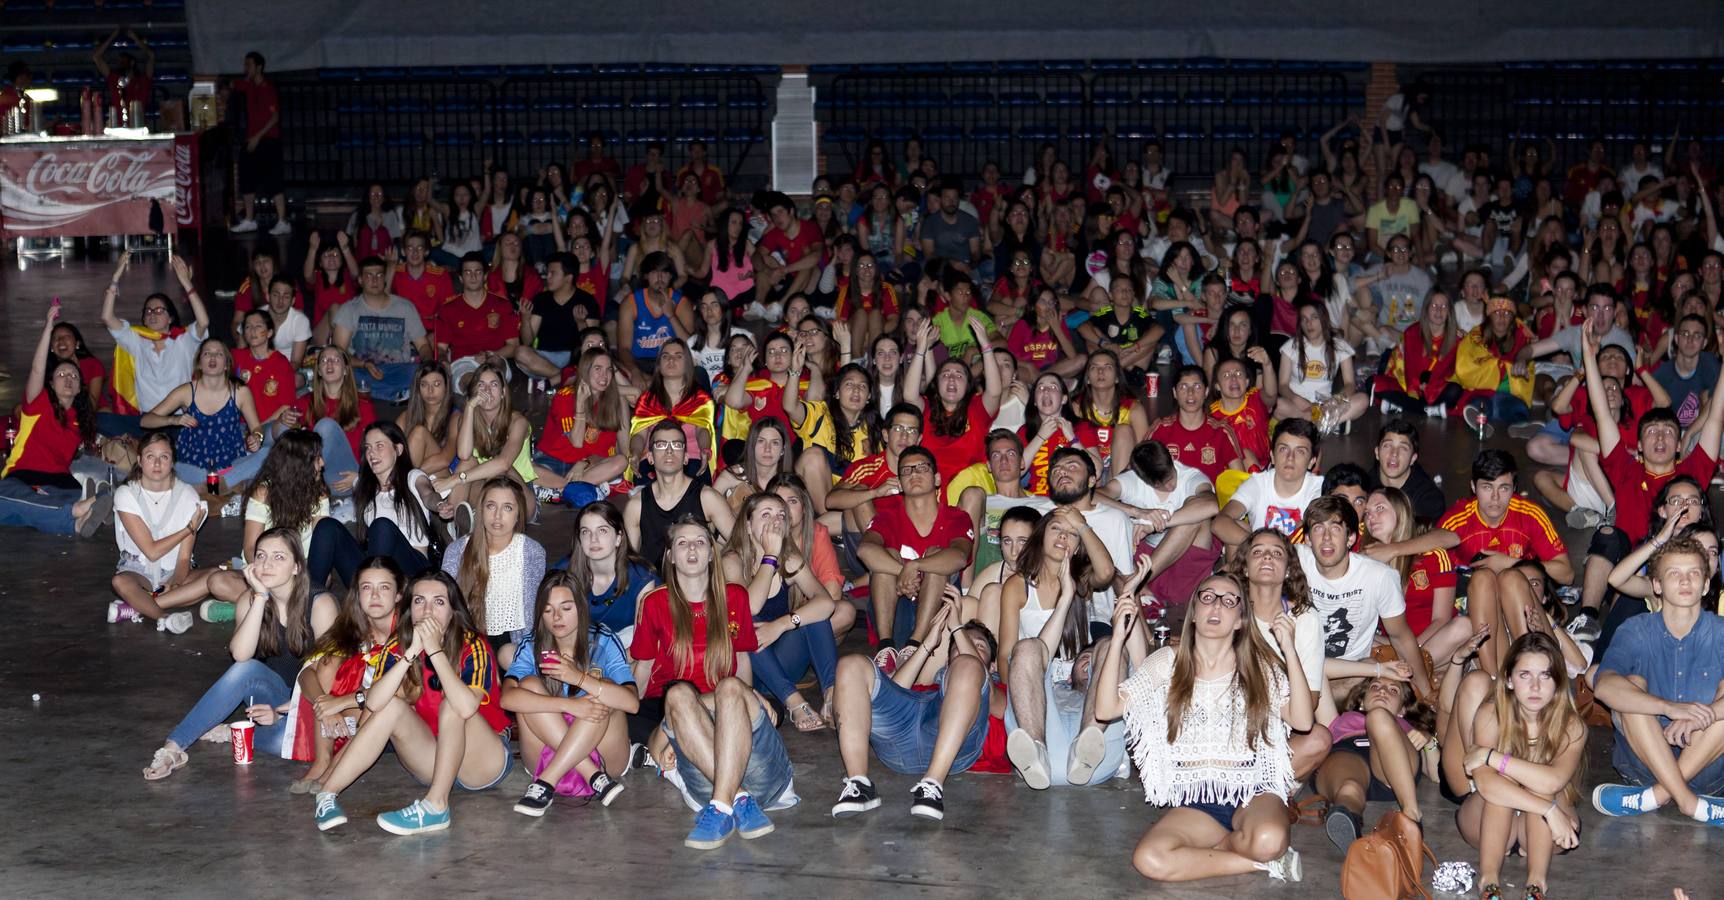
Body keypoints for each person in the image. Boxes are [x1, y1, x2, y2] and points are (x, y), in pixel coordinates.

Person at [1096, 573, 1309, 884]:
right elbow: (1106, 708)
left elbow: (1303, 721)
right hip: (1199, 802)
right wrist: (1117, 638)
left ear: (1240, 620)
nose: (1216, 606)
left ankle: (1237, 850)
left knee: (1269, 841)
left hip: (1253, 792)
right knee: (1149, 859)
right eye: (1207, 597)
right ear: (1194, 612)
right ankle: (1261, 864)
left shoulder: (1258, 666)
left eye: (1228, 600)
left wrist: (1289, 649)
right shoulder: (1167, 662)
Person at [631, 517, 795, 849]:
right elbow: (644, 665)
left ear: (710, 554)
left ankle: (720, 806)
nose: (691, 549)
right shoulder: (654, 603)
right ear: (671, 556)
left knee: (731, 688)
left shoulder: (734, 597)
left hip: (724, 705)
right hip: (681, 707)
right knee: (679, 696)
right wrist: (638, 716)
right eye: (682, 543)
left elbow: (744, 660)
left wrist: (751, 698)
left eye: (700, 542)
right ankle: (736, 799)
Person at [311, 570, 512, 834]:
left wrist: (435, 650)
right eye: (419, 601)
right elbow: (374, 703)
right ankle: (326, 796)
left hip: (482, 761)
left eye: (438, 602)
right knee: (390, 705)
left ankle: (436, 807)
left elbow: (465, 707)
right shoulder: (399, 644)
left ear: (454, 611)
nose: (427, 610)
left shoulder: (473, 644)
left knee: (452, 704)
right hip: (432, 757)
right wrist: (410, 654)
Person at [1567, 326, 1724, 643]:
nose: (1662, 437)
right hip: (1632, 565)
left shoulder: (1692, 470)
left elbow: (1717, 417)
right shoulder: (1626, 469)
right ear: (1638, 446)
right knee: (1609, 535)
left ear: (1680, 445)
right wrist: (1587, 354)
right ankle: (1588, 616)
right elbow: (1602, 413)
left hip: (1679, 563)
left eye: (1669, 432)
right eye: (1652, 432)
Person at [143, 528, 336, 780]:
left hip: (311, 701)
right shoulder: (249, 599)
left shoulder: (320, 604)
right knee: (246, 670)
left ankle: (236, 732)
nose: (267, 564)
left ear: (297, 567)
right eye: (261, 556)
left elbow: (330, 677)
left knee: (285, 744)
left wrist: (282, 711)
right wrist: (259, 597)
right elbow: (241, 655)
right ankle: (174, 748)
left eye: (279, 557)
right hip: (270, 693)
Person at [1589, 535, 1724, 826]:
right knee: (1631, 685)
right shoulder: (1635, 630)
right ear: (1657, 585)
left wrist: (1706, 714)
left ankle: (1658, 796)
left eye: (1693, 574)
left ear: (1706, 584)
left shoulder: (1722, 631)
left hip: (1710, 769)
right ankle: (1690, 804)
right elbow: (1604, 684)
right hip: (1643, 766)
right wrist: (1667, 707)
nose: (1685, 582)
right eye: (1674, 574)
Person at [1002, 508, 1139, 788]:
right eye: (1056, 529)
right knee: (1026, 648)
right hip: (1036, 697)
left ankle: (1087, 745)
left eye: (1072, 534)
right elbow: (1006, 661)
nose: (1064, 536)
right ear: (1040, 535)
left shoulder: (1081, 582)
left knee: (1109, 646)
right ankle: (1035, 749)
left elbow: (1106, 571)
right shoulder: (1017, 586)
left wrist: (1083, 525)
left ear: (1079, 546)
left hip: (1084, 699)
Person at [830, 597, 998, 822]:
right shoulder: (934, 680)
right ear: (947, 661)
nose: (965, 645)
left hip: (954, 749)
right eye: (957, 644)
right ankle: (859, 784)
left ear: (993, 665)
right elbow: (893, 691)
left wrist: (957, 628)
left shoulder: (994, 686)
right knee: (850, 664)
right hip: (900, 742)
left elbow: (995, 702)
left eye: (980, 645)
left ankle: (933, 785)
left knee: (968, 665)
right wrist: (928, 643)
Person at [1459, 631, 1586, 900]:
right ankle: (1489, 879)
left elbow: (1552, 782)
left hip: (1545, 833)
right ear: (1508, 679)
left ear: (1558, 682)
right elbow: (1485, 783)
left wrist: (1490, 756)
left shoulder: (1571, 725)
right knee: (1501, 789)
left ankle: (1536, 884)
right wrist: (1548, 810)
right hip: (1487, 821)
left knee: (1541, 785)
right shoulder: (1490, 714)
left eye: (1545, 675)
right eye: (1525, 675)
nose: (1535, 687)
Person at [503, 570, 638, 815]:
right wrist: (567, 706)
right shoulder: (532, 645)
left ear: (581, 607)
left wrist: (578, 678)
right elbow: (507, 698)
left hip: (605, 755)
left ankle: (546, 783)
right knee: (529, 686)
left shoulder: (603, 639)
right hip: (546, 755)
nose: (556, 617)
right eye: (548, 610)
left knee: (603, 688)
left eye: (566, 608)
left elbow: (632, 703)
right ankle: (592, 775)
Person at [1439, 450, 1574, 674]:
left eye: (1503, 488)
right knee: (1483, 579)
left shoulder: (1529, 514)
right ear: (1473, 487)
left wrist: (1510, 562)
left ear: (1514, 488)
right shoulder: (1456, 520)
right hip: (1478, 611)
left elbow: (1567, 573)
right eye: (1486, 487)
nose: (1495, 498)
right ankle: (1495, 677)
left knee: (1510, 577)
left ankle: (1529, 665)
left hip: (1522, 606)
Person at [724, 493, 840, 731]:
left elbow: (826, 604)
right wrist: (769, 556)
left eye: (781, 515)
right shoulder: (731, 560)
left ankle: (832, 695)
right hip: (747, 669)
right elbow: (750, 608)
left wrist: (782, 625)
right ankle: (794, 701)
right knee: (742, 622)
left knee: (813, 615)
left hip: (782, 660)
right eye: (765, 514)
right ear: (747, 526)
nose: (775, 520)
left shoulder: (789, 558)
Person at [1, 304, 113, 537]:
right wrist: (47, 328)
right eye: (61, 374)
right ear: (50, 384)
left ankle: (81, 507)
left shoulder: (81, 419)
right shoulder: (38, 405)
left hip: (48, 481)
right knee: (20, 509)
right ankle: (82, 515)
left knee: (12, 503)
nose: (68, 378)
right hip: (37, 480)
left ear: (80, 387)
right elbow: (36, 369)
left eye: (73, 375)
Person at [857, 446, 977, 651]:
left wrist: (916, 565)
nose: (914, 474)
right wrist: (904, 571)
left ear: (937, 479)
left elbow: (959, 556)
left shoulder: (957, 517)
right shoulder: (887, 516)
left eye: (922, 467)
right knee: (889, 556)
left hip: (940, 606)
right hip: (895, 603)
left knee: (936, 556)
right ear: (900, 484)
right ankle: (885, 648)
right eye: (906, 470)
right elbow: (865, 550)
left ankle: (916, 645)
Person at [1315, 672, 1440, 849]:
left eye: (1393, 690)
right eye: (1375, 687)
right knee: (1349, 788)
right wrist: (1375, 667)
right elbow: (1319, 669)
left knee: (1378, 717)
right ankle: (1348, 817)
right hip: (1349, 758)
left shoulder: (1409, 729)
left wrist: (1428, 740)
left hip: (1392, 772)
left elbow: (1436, 775)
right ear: (1361, 701)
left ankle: (1411, 815)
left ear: (1403, 709)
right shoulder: (1336, 721)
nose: (1382, 691)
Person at [307, 422, 437, 590]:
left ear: (398, 450)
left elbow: (427, 494)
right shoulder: (364, 487)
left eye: (379, 446)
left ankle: (372, 595)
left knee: (381, 526)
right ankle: (309, 601)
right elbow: (353, 478)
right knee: (327, 526)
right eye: (368, 448)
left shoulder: (412, 478)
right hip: (374, 569)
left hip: (412, 573)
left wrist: (439, 503)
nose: (372, 453)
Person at [1101, 440, 1221, 619]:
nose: (1170, 487)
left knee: (1195, 516)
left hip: (1183, 560)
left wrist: (1157, 523)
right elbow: (1093, 496)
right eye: (1161, 484)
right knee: (1109, 518)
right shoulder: (1132, 480)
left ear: (1172, 460)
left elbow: (1211, 506)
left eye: (1170, 477)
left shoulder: (1191, 476)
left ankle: (1138, 582)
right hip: (1146, 556)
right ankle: (1139, 584)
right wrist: (1136, 511)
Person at [106, 431, 209, 632]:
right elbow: (151, 551)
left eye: (164, 457)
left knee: (214, 578)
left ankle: (137, 606)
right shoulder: (126, 494)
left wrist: (177, 582)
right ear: (139, 460)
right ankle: (165, 617)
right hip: (139, 570)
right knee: (120, 581)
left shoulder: (188, 495)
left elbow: (184, 557)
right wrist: (188, 529)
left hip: (175, 570)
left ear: (172, 462)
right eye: (150, 456)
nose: (157, 463)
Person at [100, 254, 211, 435]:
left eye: (159, 310)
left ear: (171, 318)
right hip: (148, 422)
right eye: (148, 311)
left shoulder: (183, 340)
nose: (153, 314)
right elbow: (107, 317)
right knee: (101, 421)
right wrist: (115, 278)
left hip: (180, 421)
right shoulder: (136, 341)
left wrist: (186, 284)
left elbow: (203, 322)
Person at [1362, 486, 1475, 663]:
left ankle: (1415, 668)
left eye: (1380, 508)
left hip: (1433, 643)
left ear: (1400, 512)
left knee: (1464, 626)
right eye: (1367, 513)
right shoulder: (1365, 563)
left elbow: (1441, 619)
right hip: (1394, 647)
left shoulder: (1433, 556)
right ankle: (1414, 670)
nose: (1371, 517)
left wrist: (1412, 651)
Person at [440, 477, 544, 666]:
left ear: (518, 514)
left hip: (515, 641)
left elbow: (535, 610)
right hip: (470, 641)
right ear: (481, 510)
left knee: (509, 656)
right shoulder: (456, 551)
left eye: (507, 508)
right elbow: (445, 603)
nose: (497, 515)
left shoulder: (531, 551)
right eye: (491, 506)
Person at [140, 338, 266, 493]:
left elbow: (257, 428)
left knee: (266, 454)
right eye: (207, 353)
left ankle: (215, 484)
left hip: (231, 465)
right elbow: (146, 421)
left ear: (226, 364)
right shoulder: (186, 391)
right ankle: (220, 485)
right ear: (199, 363)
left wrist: (257, 438)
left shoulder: (240, 392)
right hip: (193, 467)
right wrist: (174, 419)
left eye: (218, 354)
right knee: (176, 468)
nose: (212, 357)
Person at [430, 359, 536, 526]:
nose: (487, 390)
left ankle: (477, 519)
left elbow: (503, 464)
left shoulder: (518, 422)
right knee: (468, 461)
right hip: (486, 489)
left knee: (501, 472)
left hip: (520, 496)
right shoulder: (470, 418)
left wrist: (455, 479)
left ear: (502, 392)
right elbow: (463, 454)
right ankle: (455, 518)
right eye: (481, 385)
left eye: (493, 385)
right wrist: (471, 407)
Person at [624, 420, 736, 568]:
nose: (669, 451)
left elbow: (741, 546)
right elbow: (630, 563)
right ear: (650, 458)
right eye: (661, 445)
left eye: (677, 445)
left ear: (686, 457)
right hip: (656, 587)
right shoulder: (636, 506)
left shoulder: (707, 498)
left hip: (699, 583)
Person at [532, 347, 630, 503]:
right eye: (597, 369)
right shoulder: (564, 397)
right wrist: (580, 405)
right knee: (527, 470)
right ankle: (574, 489)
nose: (604, 376)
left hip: (586, 467)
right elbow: (576, 442)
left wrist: (584, 463)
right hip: (553, 461)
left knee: (621, 461)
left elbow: (603, 454)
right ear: (585, 371)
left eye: (608, 370)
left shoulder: (612, 403)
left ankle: (558, 492)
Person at [333, 256, 433, 404]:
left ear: (385, 279)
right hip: (364, 370)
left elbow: (423, 346)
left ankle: (384, 393)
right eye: (369, 275)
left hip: (399, 369)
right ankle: (398, 394)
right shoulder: (349, 309)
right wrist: (364, 364)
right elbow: (339, 353)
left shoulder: (405, 307)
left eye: (379, 275)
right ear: (360, 280)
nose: (375, 280)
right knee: (345, 374)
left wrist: (428, 364)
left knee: (419, 372)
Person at [1213, 417, 1323, 544]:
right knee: (1237, 526)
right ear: (1272, 456)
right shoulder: (1258, 483)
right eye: (1283, 449)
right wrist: (1263, 548)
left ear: (1311, 462)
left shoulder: (1319, 488)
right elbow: (1219, 523)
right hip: (1258, 558)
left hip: (1297, 559)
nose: (1290, 458)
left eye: (1300, 452)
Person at [291, 347, 374, 496]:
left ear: (345, 370)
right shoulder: (305, 402)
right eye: (323, 360)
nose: (329, 363)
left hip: (344, 479)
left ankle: (296, 484)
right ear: (318, 371)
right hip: (313, 479)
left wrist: (362, 477)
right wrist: (281, 422)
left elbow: (375, 447)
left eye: (336, 360)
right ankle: (235, 482)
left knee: (326, 426)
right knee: (271, 444)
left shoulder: (363, 406)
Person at [1146, 365, 1245, 484]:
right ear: (1175, 393)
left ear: (1206, 392)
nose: (1190, 392)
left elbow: (1241, 480)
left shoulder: (1221, 431)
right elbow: (1136, 468)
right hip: (1169, 499)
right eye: (1183, 387)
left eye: (1197, 386)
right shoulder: (1161, 428)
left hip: (1210, 499)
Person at [435, 252, 521, 390]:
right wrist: (443, 360)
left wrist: (490, 354)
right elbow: (440, 348)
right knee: (470, 381)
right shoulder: (447, 309)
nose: (473, 277)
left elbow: (514, 346)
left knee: (494, 366)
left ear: (485, 276)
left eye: (478, 272)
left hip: (494, 356)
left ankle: (493, 399)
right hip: (463, 361)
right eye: (468, 272)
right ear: (461, 278)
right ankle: (482, 399)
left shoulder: (502, 304)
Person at [230, 51, 288, 235]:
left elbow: (275, 117)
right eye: (245, 64)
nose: (246, 68)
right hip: (251, 140)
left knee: (274, 180)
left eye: (249, 65)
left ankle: (282, 221)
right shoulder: (250, 86)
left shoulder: (267, 88)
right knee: (246, 178)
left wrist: (258, 136)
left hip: (268, 139)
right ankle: (249, 219)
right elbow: (234, 85)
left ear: (259, 66)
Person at [1365, 419, 1447, 524]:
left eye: (1403, 448)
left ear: (1413, 458)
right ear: (1377, 453)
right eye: (1387, 445)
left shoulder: (1428, 499)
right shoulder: (1364, 488)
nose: (1394, 453)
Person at [397, 362, 461, 473]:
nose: (430, 390)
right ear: (418, 388)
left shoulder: (455, 417)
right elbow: (391, 450)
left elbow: (445, 460)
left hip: (443, 477)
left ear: (446, 387)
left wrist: (407, 476)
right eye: (424, 385)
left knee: (419, 432)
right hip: (413, 478)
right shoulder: (406, 416)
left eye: (436, 384)